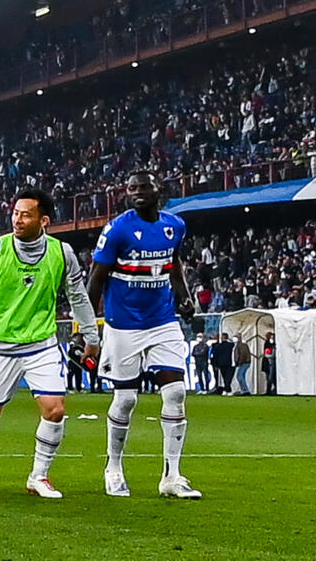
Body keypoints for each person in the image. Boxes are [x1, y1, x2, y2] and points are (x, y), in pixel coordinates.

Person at [0, 187, 101, 498]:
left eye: (26, 215)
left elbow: (78, 297)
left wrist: (92, 336)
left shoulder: (62, 253)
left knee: (55, 410)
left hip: (41, 343)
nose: (18, 220)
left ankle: (39, 476)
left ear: (44, 220)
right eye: (15, 214)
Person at [89, 171, 201, 499]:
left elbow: (173, 263)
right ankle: (113, 467)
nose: (136, 192)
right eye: (131, 187)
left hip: (162, 320)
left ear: (157, 190)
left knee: (176, 393)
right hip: (123, 324)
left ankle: (172, 477)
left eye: (143, 187)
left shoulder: (174, 226)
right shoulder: (117, 229)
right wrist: (86, 326)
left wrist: (184, 295)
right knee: (125, 400)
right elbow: (96, 278)